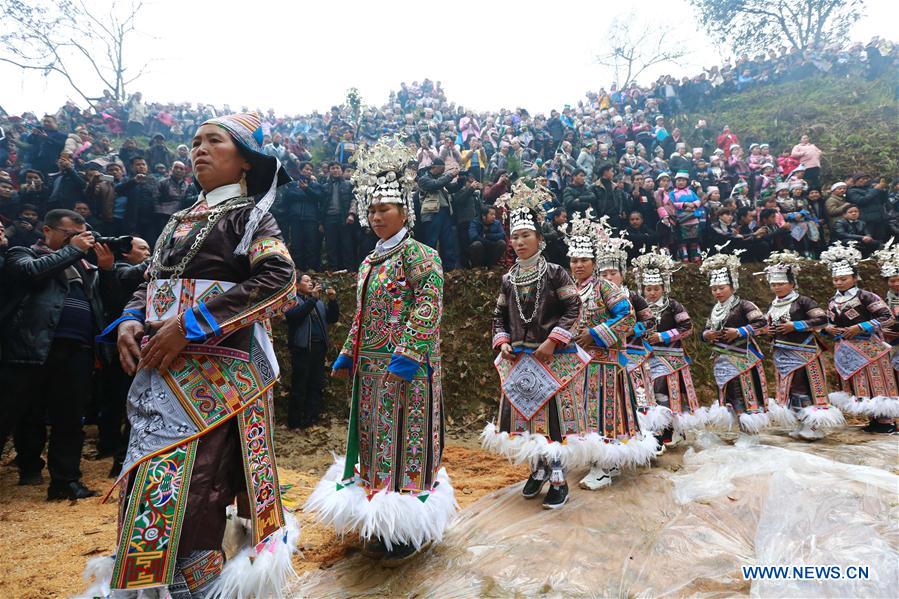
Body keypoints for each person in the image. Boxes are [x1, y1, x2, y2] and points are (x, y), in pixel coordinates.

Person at [85, 112, 299, 597]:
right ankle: (153, 581)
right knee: (150, 476)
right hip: (161, 369)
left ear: (246, 161)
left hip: (218, 375)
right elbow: (149, 283)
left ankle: (196, 588)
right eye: (195, 140)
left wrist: (189, 326)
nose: (198, 148)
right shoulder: (179, 221)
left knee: (200, 484)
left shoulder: (250, 217)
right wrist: (130, 319)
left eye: (213, 140)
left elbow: (279, 278)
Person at [306, 138, 455, 563]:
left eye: (384, 209)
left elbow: (429, 304)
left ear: (405, 212)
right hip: (371, 370)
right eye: (371, 210)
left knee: (408, 438)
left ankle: (406, 524)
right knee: (375, 440)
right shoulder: (369, 261)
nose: (375, 217)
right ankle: (381, 514)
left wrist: (407, 353)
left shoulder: (420, 255)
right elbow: (362, 313)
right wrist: (348, 353)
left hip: (409, 368)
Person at [481, 179, 588, 509]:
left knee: (552, 421)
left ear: (540, 239)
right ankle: (537, 470)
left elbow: (574, 308)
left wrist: (553, 341)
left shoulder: (555, 273)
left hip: (550, 357)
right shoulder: (508, 278)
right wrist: (502, 342)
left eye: (526, 235)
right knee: (526, 419)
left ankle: (558, 479)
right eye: (515, 236)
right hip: (519, 358)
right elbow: (499, 315)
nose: (519, 242)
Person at [1, 209, 114, 499]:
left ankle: (65, 483)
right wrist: (73, 250)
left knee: (69, 418)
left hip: (78, 350)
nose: (79, 239)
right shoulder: (22, 253)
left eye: (82, 234)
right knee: (11, 414)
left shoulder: (85, 267)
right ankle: (28, 468)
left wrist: (106, 269)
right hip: (30, 348)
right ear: (47, 231)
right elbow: (31, 273)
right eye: (70, 234)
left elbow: (105, 304)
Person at [565, 212, 655, 491]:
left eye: (584, 260)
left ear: (594, 262)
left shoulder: (604, 287)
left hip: (606, 363)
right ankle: (606, 462)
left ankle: (602, 467)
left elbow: (627, 316)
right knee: (588, 413)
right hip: (579, 363)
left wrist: (594, 334)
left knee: (604, 411)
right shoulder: (569, 290)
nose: (578, 265)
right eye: (574, 260)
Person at [757, 251, 844, 440]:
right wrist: (768, 331)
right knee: (789, 390)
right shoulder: (773, 305)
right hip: (782, 353)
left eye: (781, 283)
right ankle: (799, 422)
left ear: (792, 284)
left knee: (803, 388)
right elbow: (766, 325)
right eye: (773, 284)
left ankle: (812, 425)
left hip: (804, 353)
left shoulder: (803, 301)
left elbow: (822, 319)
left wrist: (795, 325)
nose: (777, 287)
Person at [823, 242, 898, 434]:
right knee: (859, 386)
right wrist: (829, 329)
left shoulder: (866, 297)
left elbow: (887, 317)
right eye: (836, 279)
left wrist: (860, 327)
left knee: (877, 383)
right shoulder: (832, 301)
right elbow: (828, 322)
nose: (839, 283)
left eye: (843, 279)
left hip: (871, 348)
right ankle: (872, 420)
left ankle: (886, 422)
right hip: (846, 349)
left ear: (855, 278)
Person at [633, 248, 705, 442]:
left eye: (656, 289)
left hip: (670, 357)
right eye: (648, 289)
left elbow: (687, 327)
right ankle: (658, 431)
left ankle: (672, 429)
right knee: (649, 394)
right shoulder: (638, 308)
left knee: (662, 391)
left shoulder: (673, 305)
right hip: (646, 358)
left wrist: (662, 336)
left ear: (664, 287)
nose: (652, 293)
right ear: (642, 289)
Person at [699, 250, 771, 433]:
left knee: (744, 394)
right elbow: (705, 330)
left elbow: (761, 322)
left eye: (721, 288)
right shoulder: (716, 309)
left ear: (733, 286)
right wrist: (707, 335)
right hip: (722, 359)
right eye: (714, 289)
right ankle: (741, 429)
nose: (717, 292)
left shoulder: (744, 305)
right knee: (731, 395)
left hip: (743, 358)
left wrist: (739, 331)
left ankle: (750, 432)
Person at [284, 274, 338, 429]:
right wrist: (313, 299)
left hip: (319, 348)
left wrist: (332, 301)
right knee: (299, 385)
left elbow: (332, 318)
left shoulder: (318, 303)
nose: (310, 283)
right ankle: (294, 422)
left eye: (311, 281)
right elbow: (295, 316)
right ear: (297, 285)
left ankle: (311, 420)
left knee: (316, 384)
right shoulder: (293, 301)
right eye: (306, 281)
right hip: (302, 349)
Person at [418, 157, 464, 270]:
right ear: (434, 167)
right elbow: (435, 185)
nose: (443, 171)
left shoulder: (441, 178)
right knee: (431, 240)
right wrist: (450, 175)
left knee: (447, 240)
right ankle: (430, 266)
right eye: (442, 168)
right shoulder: (424, 179)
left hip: (445, 212)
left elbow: (452, 188)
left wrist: (461, 180)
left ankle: (449, 266)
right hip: (432, 213)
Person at [321, 161, 357, 270]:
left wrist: (351, 214)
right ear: (329, 170)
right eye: (332, 168)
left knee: (346, 244)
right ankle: (333, 269)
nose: (335, 170)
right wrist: (321, 222)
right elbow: (321, 205)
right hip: (329, 218)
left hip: (344, 217)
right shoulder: (325, 186)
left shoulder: (349, 184)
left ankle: (348, 269)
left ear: (341, 170)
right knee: (331, 244)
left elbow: (354, 200)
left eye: (337, 168)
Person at [155, 160, 190, 238]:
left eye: (181, 169)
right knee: (163, 239)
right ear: (171, 169)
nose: (178, 170)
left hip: (181, 216)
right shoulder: (163, 182)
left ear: (184, 172)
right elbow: (155, 199)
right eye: (176, 168)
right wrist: (159, 214)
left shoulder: (186, 184)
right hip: (164, 216)